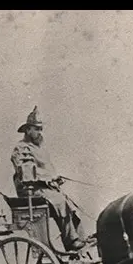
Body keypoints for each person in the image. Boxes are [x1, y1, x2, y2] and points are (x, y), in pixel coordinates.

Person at [10, 106, 91, 254]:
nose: (40, 132)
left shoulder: (40, 148)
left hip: (44, 188)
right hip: (30, 190)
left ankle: (79, 239)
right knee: (59, 200)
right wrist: (46, 179)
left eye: (41, 129)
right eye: (37, 129)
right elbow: (26, 173)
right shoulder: (21, 148)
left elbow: (47, 169)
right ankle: (71, 240)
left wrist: (55, 178)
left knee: (70, 203)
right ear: (28, 130)